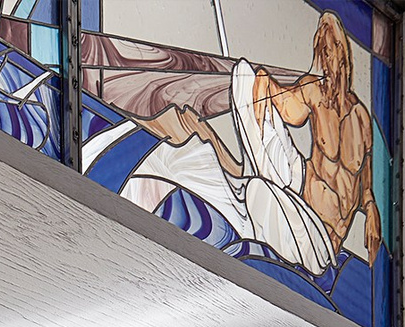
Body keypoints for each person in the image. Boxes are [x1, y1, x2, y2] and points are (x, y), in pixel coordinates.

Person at [130, 10, 381, 279]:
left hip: (320, 246)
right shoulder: (314, 92)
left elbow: (364, 175)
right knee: (245, 76)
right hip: (305, 210)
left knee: (259, 192)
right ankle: (259, 184)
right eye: (325, 53)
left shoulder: (361, 117)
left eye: (334, 53)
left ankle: (259, 196)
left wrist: (371, 209)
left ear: (346, 58)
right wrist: (262, 81)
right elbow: (289, 111)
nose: (330, 62)